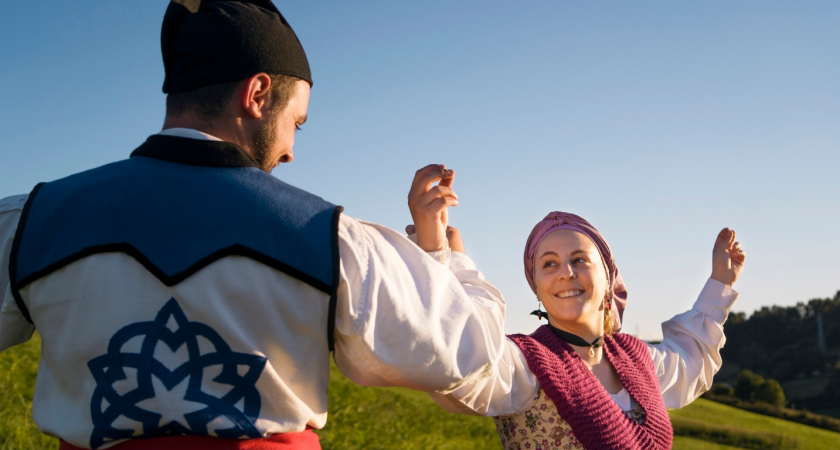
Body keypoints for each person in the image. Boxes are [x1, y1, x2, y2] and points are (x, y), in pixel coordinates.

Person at [0, 1, 506, 449]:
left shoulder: (31, 220)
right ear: (258, 94)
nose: (290, 151)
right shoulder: (330, 238)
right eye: (296, 123)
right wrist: (449, 261)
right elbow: (471, 351)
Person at [419, 211, 745, 450]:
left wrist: (720, 282)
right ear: (537, 288)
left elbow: (688, 359)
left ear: (608, 279)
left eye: (579, 260)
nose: (566, 272)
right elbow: (459, 355)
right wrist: (445, 260)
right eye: (549, 264)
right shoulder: (524, 366)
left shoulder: (637, 358)